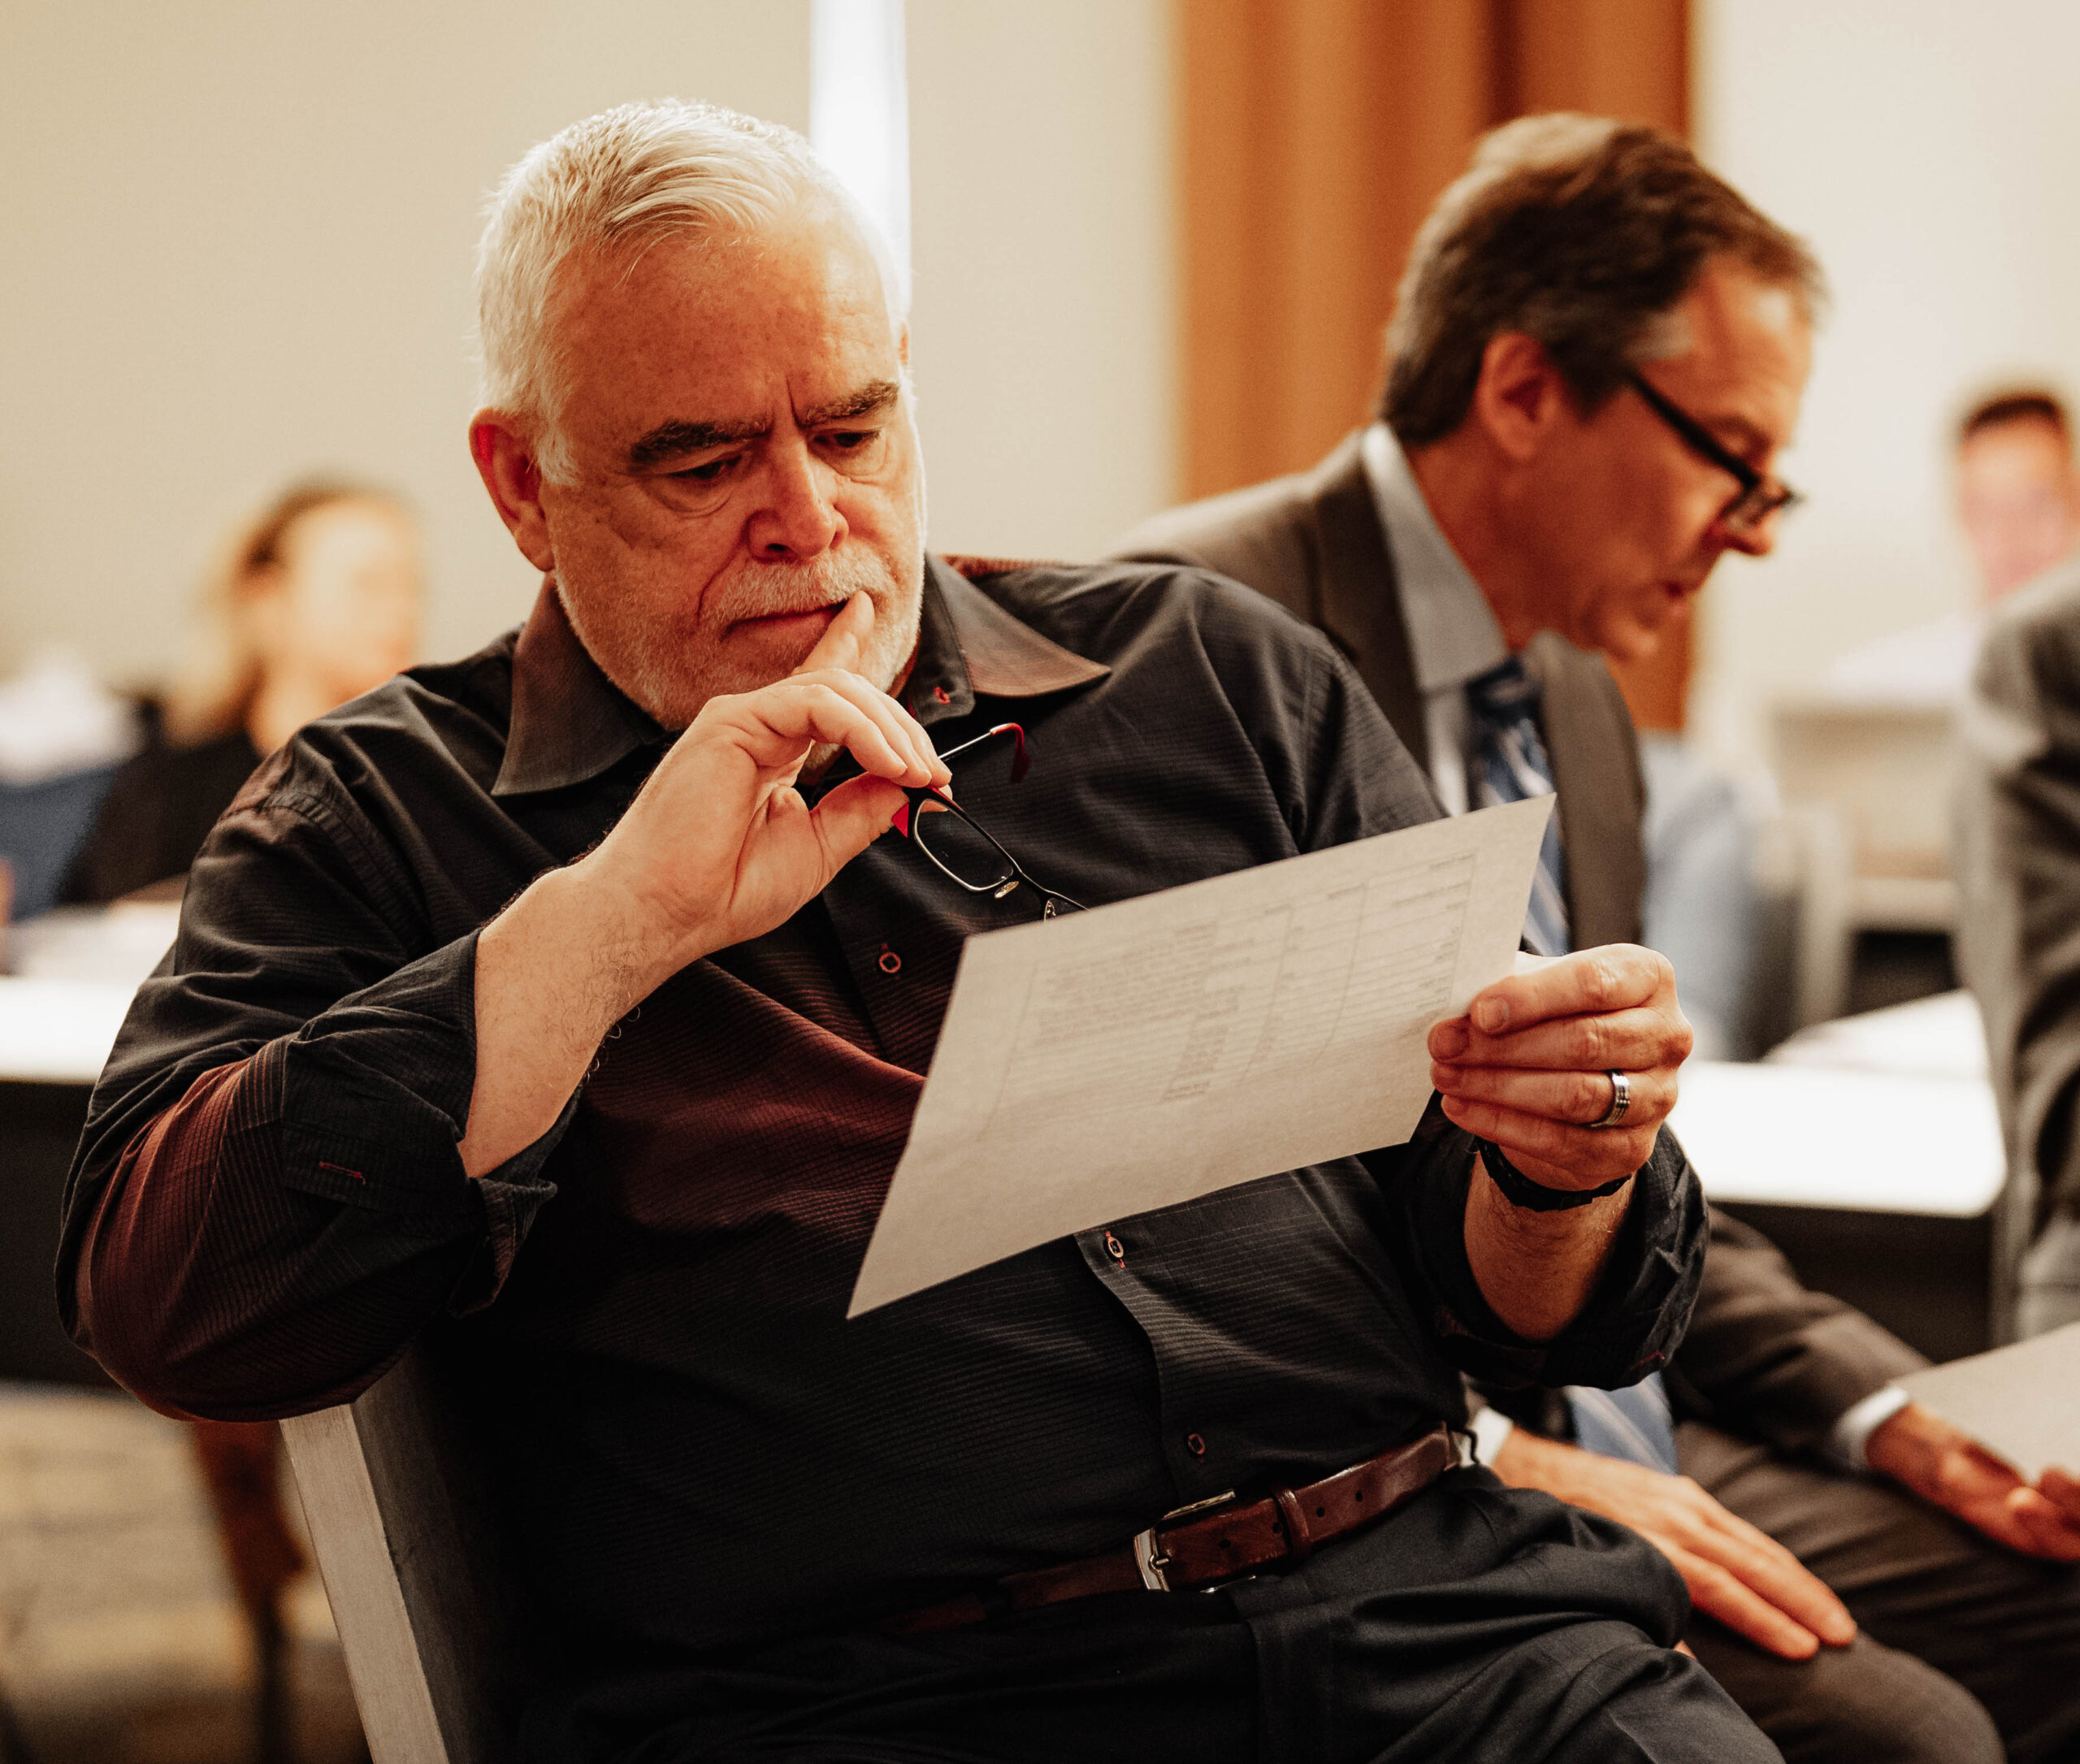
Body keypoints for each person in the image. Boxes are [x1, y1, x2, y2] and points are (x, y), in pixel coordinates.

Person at [56, 101, 1764, 1763]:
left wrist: (1560, 1159)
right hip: (898, 1699)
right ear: (523, 486)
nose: (805, 516)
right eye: (702, 459)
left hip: (1443, 1631)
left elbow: (1539, 1314)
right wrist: (611, 925)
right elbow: (170, 1300)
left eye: (853, 429)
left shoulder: (1209, 675)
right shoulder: (384, 811)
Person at [1114, 114, 2080, 1764]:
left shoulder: (1571, 695)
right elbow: (1159, 1231)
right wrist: (1477, 1448)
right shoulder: (1185, 641)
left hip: (1618, 1408)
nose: (1755, 528)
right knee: (1905, 1729)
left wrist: (1883, 1403)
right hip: (1374, 1489)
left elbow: (1632, 1165)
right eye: (1732, 458)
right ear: (1522, 390)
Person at [59, 479, 422, 904]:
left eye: (412, 586)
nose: (400, 611)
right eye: (369, 584)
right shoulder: (174, 789)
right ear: (268, 600)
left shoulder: (423, 785)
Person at [1822, 388, 2080, 704]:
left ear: (2075, 505)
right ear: (1960, 514)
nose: (2011, 532)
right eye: (1987, 507)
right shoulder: (1873, 689)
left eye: (2038, 503)